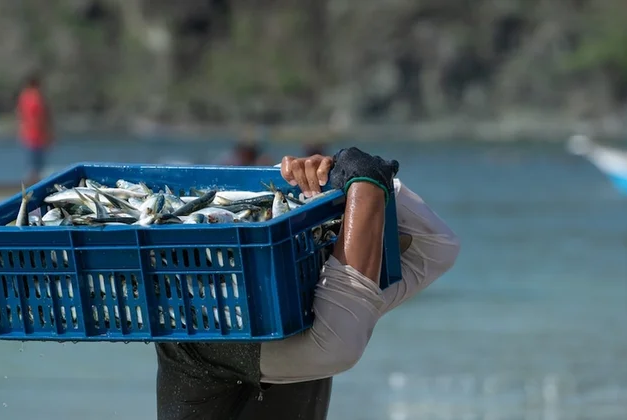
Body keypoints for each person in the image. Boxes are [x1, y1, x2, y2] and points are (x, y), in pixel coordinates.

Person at [156, 147, 461, 419]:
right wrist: (365, 186)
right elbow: (337, 348)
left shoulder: (312, 301)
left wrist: (341, 181)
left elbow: (436, 246)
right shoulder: (199, 340)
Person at [16, 73, 54, 185]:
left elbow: (20, 115)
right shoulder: (37, 97)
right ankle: (33, 187)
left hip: (28, 135)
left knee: (33, 166)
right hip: (36, 136)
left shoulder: (24, 96)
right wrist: (49, 134)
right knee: (36, 168)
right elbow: (43, 118)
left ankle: (31, 186)